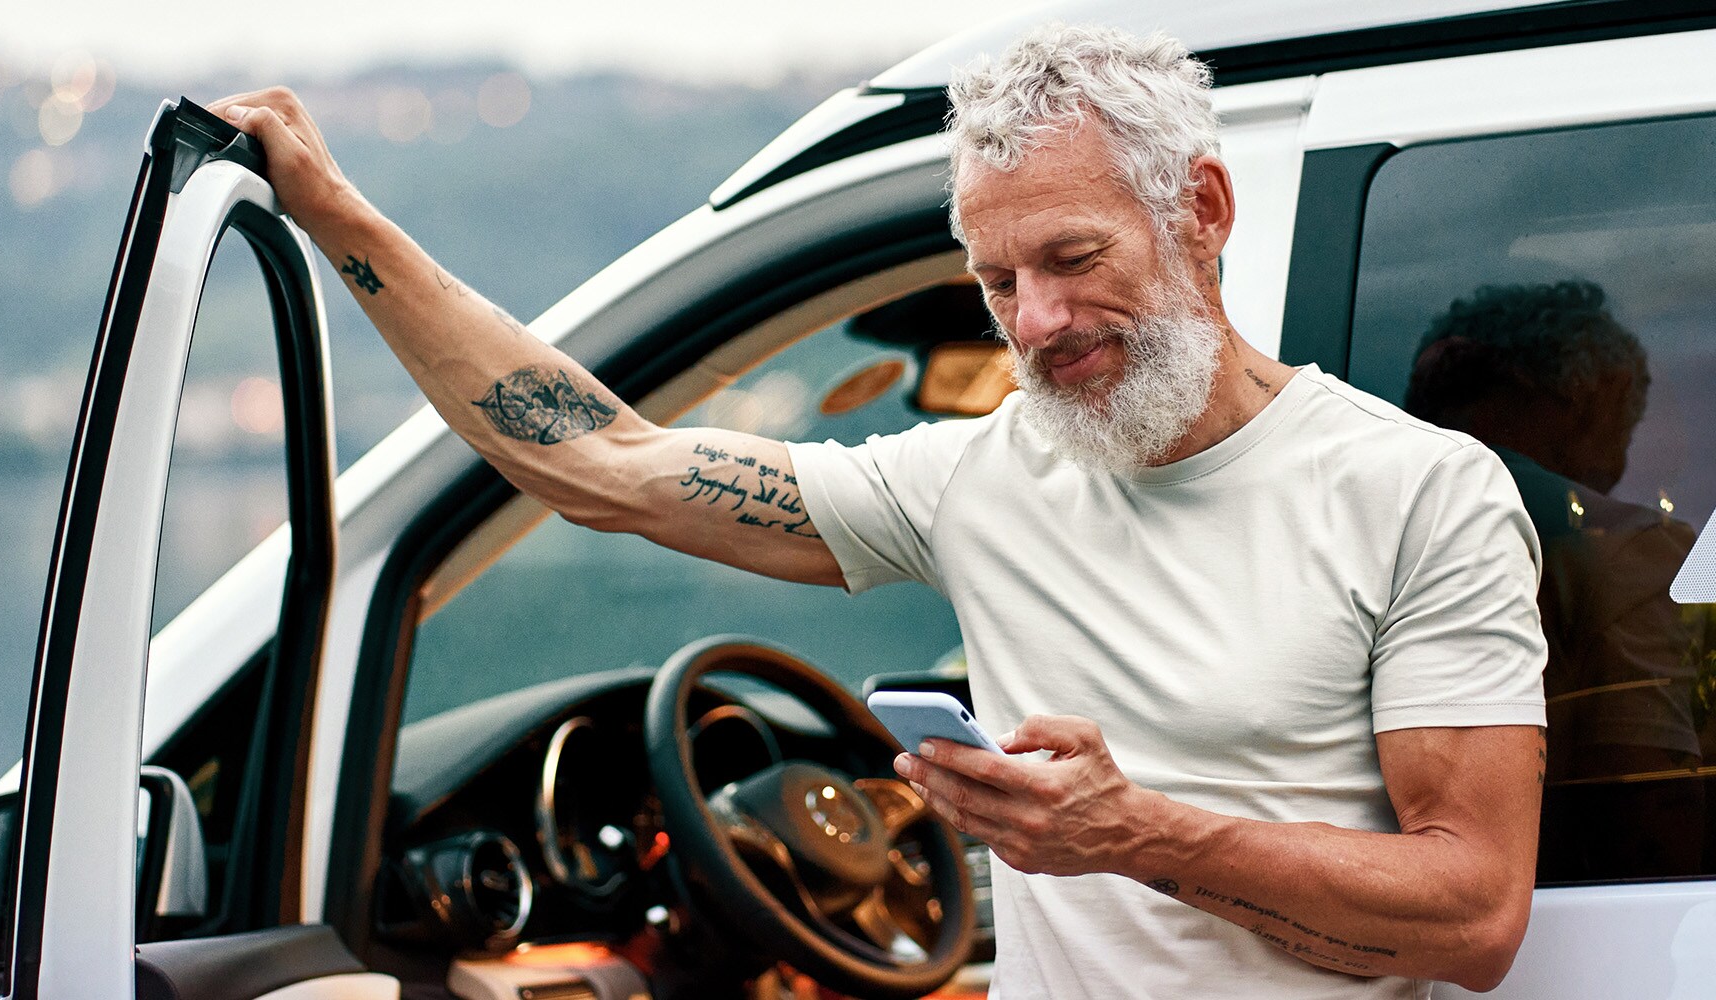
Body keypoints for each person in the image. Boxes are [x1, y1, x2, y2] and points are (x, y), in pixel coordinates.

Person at [214, 21, 1545, 999]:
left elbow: (1476, 912)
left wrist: (1128, 835)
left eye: (1073, 259)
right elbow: (602, 463)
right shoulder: (981, 476)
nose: (1037, 323)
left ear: (1199, 210)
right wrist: (336, 218)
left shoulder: (1415, 492)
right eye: (997, 279)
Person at [1404, 279, 1704, 880]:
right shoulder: (1627, 548)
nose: (1617, 467)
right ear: (1566, 400)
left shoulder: (1349, 515)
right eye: (1621, 422)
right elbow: (1648, 805)